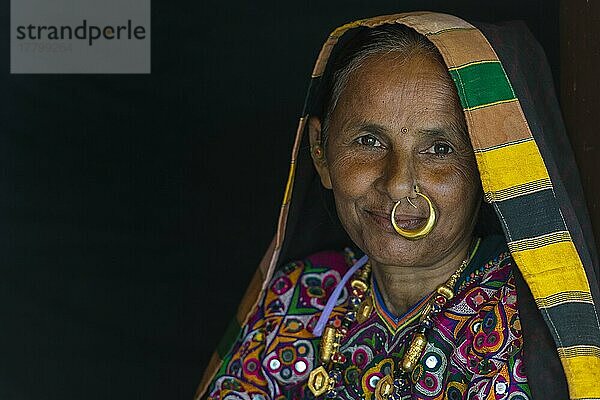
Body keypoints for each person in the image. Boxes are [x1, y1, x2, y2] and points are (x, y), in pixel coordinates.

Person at [196, 12, 600, 400]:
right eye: (369, 141)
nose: (397, 183)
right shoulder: (300, 296)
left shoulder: (531, 328)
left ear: (489, 167)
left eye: (439, 149)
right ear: (321, 152)